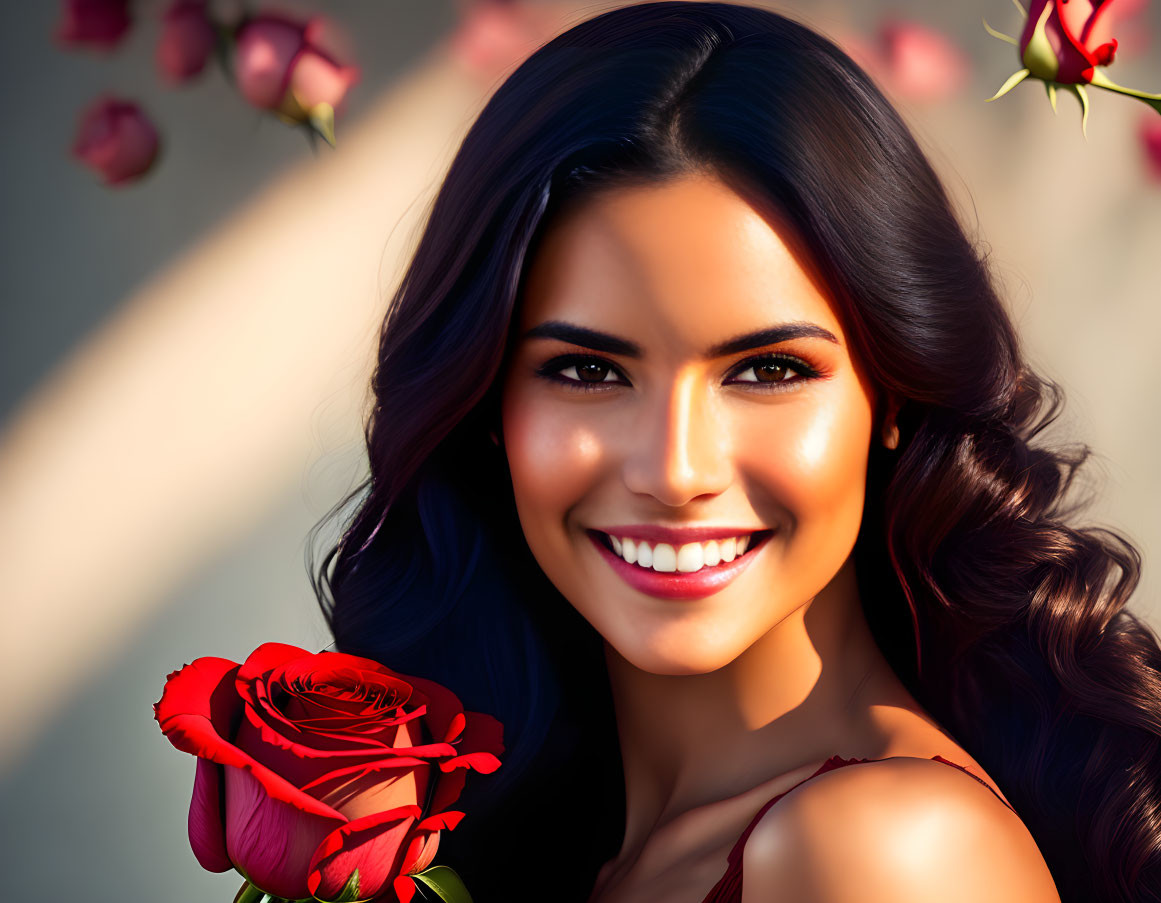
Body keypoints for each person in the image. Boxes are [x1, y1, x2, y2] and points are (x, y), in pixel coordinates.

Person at [309, 3, 1161, 901]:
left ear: (892, 396)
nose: (676, 471)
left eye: (767, 368)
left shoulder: (881, 853)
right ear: (486, 401)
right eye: (588, 369)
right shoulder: (575, 842)